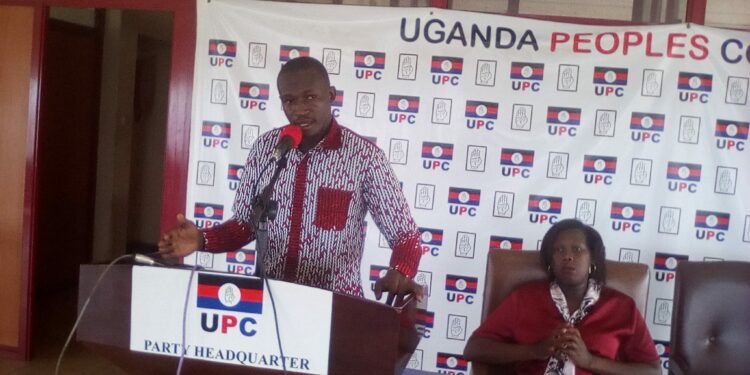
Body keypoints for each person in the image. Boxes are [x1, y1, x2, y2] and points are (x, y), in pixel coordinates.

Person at [158, 56, 422, 304]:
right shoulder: (266, 149)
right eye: (289, 101)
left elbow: (406, 235)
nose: (300, 110)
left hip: (335, 307)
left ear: (331, 96)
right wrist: (202, 239)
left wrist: (399, 271)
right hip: (270, 304)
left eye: (310, 98)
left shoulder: (364, 157)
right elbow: (245, 225)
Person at [464, 219, 660, 375]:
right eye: (559, 250)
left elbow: (652, 370)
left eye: (578, 249)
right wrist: (535, 350)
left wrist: (590, 361)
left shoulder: (621, 307)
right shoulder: (524, 298)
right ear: (550, 261)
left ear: (592, 259)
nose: (568, 256)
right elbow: (474, 348)